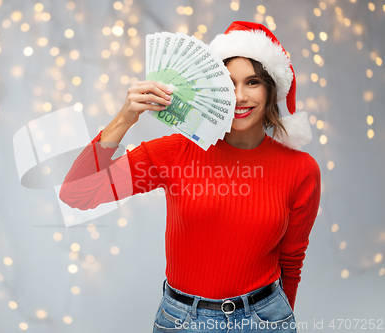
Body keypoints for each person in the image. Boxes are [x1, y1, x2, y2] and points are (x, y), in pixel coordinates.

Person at [59, 21, 321, 332]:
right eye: (227, 82)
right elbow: (77, 193)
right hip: (183, 321)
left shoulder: (301, 169)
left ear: (271, 88)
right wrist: (124, 117)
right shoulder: (175, 153)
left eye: (252, 82)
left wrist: (279, 322)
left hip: (265, 319)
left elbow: (291, 260)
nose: (239, 96)